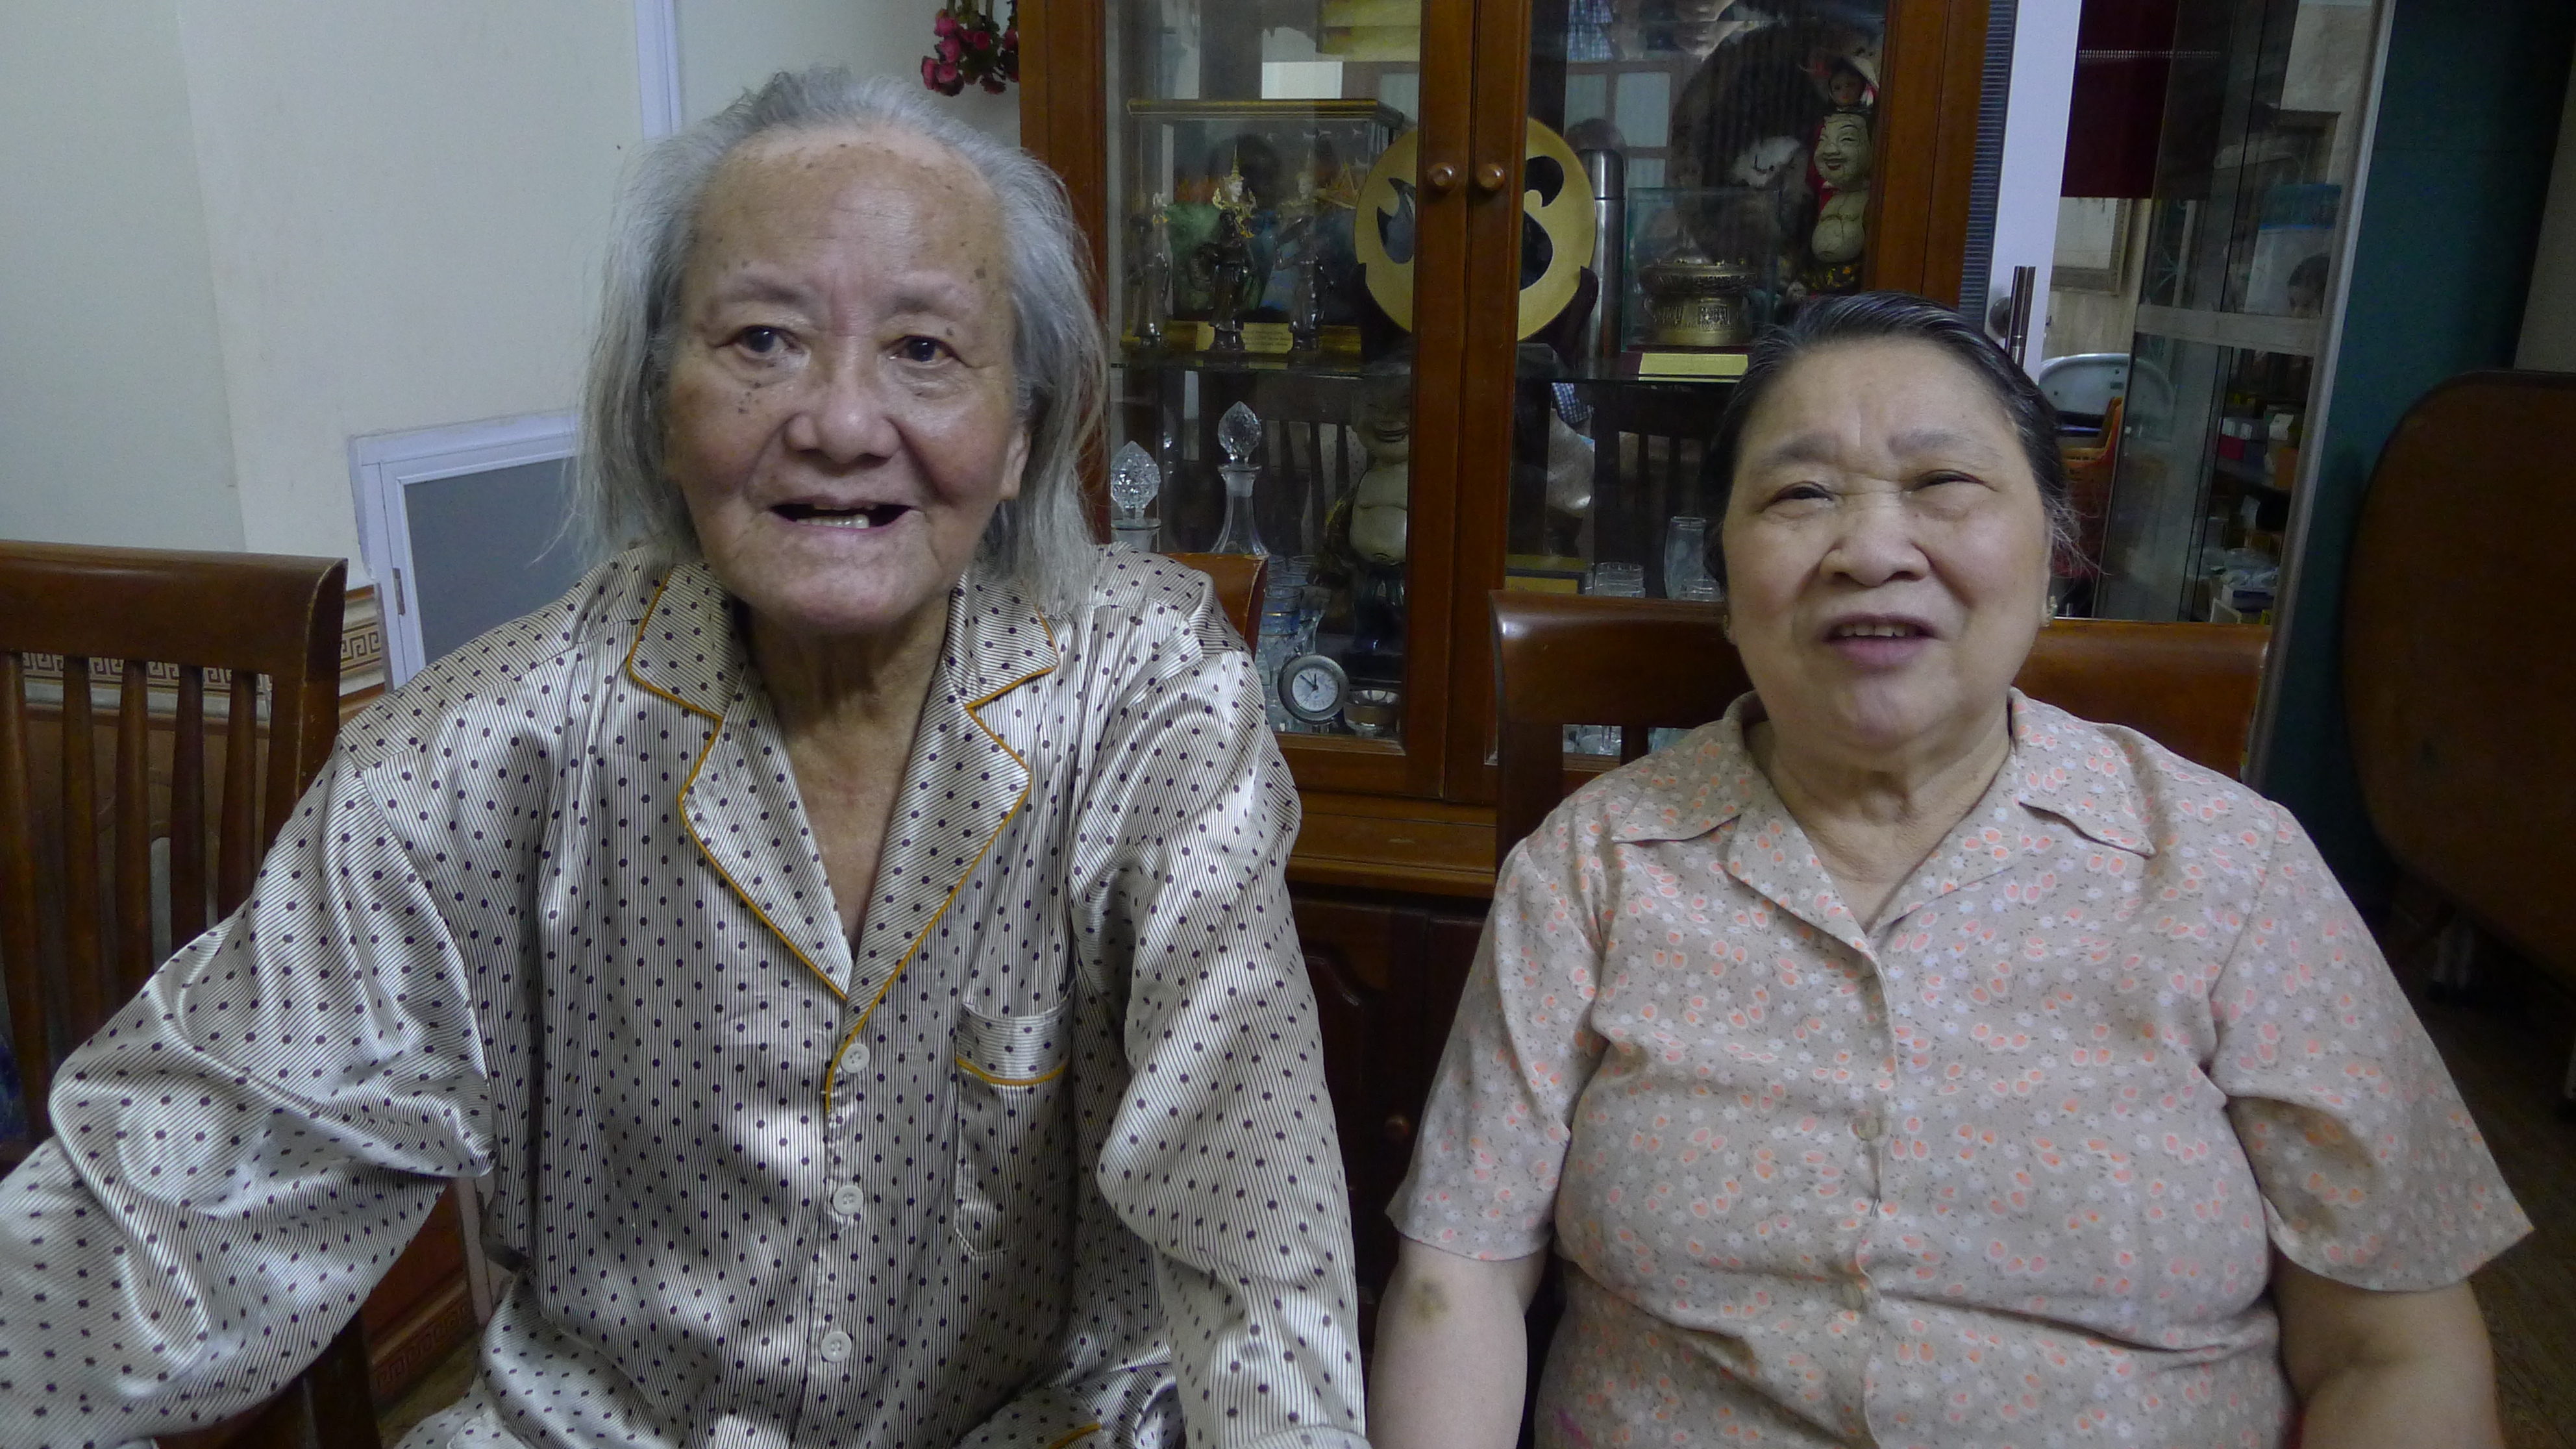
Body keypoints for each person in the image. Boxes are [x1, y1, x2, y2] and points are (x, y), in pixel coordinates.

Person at [0, 69, 1365, 1449]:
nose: (841, 423)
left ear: (1020, 435)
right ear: (660, 405)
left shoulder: (1148, 702)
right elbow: (185, 1186)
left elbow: (1257, 1233)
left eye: (925, 349)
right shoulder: (485, 748)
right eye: (763, 339)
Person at [1368, 293, 2526, 1449]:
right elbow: (1456, 1280)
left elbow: (2393, 1347)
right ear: (1721, 576)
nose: (1873, 551)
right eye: (1801, 494)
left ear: (2055, 553)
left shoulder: (2232, 869)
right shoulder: (1592, 869)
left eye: (1944, 484)